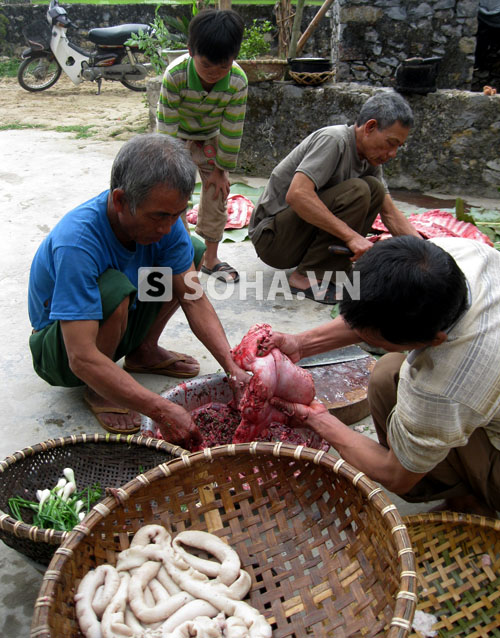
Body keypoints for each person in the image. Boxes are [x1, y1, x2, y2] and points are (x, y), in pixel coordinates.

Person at [28, 133, 248, 449]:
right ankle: (100, 390)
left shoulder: (167, 224)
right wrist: (160, 409)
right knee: (116, 290)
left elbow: (193, 298)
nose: (167, 226)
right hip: (61, 350)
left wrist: (232, 367)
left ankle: (143, 350)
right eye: (158, 216)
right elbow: (80, 357)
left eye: (176, 214)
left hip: (118, 318)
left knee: (191, 252)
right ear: (120, 200)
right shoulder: (76, 243)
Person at [263, 236, 500, 517]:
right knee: (388, 371)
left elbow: (394, 474)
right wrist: (300, 344)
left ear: (435, 340)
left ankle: (473, 499)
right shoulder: (453, 256)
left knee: (393, 387)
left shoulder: (443, 388)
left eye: (378, 341)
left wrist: (314, 417)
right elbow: (377, 311)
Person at [248, 91, 421, 304]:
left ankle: (331, 269)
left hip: (296, 236)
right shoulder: (334, 140)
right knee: (358, 190)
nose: (393, 153)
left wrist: (425, 253)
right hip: (273, 239)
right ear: (370, 127)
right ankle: (305, 277)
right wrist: (352, 237)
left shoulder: (370, 159)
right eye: (390, 143)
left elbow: (390, 213)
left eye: (398, 147)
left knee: (374, 188)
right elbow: (298, 195)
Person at [157, 8, 247, 284]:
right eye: (206, 66)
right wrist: (168, 166)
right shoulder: (175, 75)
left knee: (217, 192)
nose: (213, 74)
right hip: (176, 138)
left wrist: (221, 171)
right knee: (173, 190)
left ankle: (210, 258)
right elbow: (166, 130)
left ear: (233, 58)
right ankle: (182, 254)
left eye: (223, 67)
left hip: (210, 137)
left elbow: (232, 130)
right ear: (190, 51)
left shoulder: (237, 82)